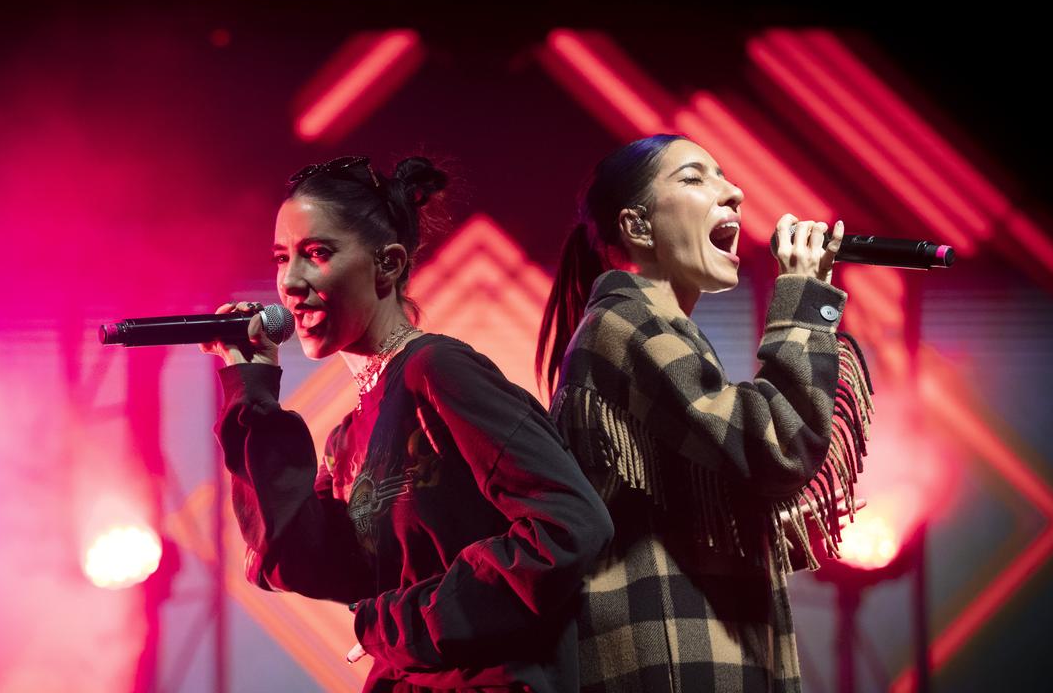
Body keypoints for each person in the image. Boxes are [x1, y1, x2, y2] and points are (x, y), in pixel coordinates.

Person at [203, 155, 614, 692]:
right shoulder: (348, 435)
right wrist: (252, 397)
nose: (291, 283)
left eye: (317, 253)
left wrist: (403, 622)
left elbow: (571, 525)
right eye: (282, 259)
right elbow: (295, 560)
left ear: (388, 264)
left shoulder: (437, 371)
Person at [536, 136, 873, 693]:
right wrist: (804, 299)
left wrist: (771, 527)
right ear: (638, 227)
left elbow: (684, 507)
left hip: (698, 651)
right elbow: (773, 444)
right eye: (695, 178)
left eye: (725, 176)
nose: (734, 192)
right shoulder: (624, 323)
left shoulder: (661, 332)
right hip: (670, 660)